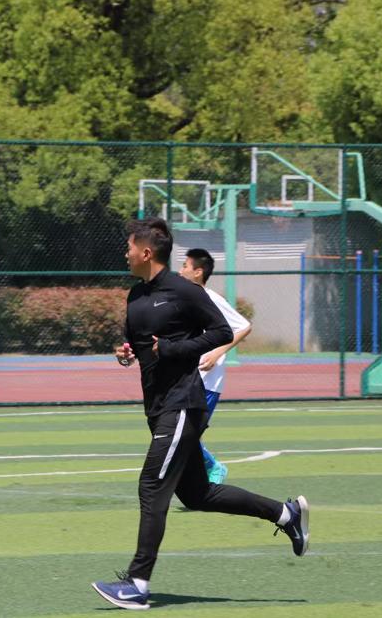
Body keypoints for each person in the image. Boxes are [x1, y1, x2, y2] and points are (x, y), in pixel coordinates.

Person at [91, 218, 309, 611]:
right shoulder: (136, 295)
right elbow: (139, 345)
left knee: (152, 486)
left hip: (183, 404)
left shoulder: (183, 290)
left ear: (146, 252)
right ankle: (285, 514)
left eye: (129, 247)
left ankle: (138, 583)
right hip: (157, 408)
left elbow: (222, 332)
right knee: (198, 494)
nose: (125, 253)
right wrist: (126, 353)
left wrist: (174, 350)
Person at [178, 248, 252, 484]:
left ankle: (212, 468)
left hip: (208, 381)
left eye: (185, 266)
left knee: (186, 434)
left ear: (198, 272)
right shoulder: (183, 299)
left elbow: (243, 326)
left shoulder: (211, 299)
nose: (180, 270)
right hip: (187, 379)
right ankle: (202, 474)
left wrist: (218, 352)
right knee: (179, 432)